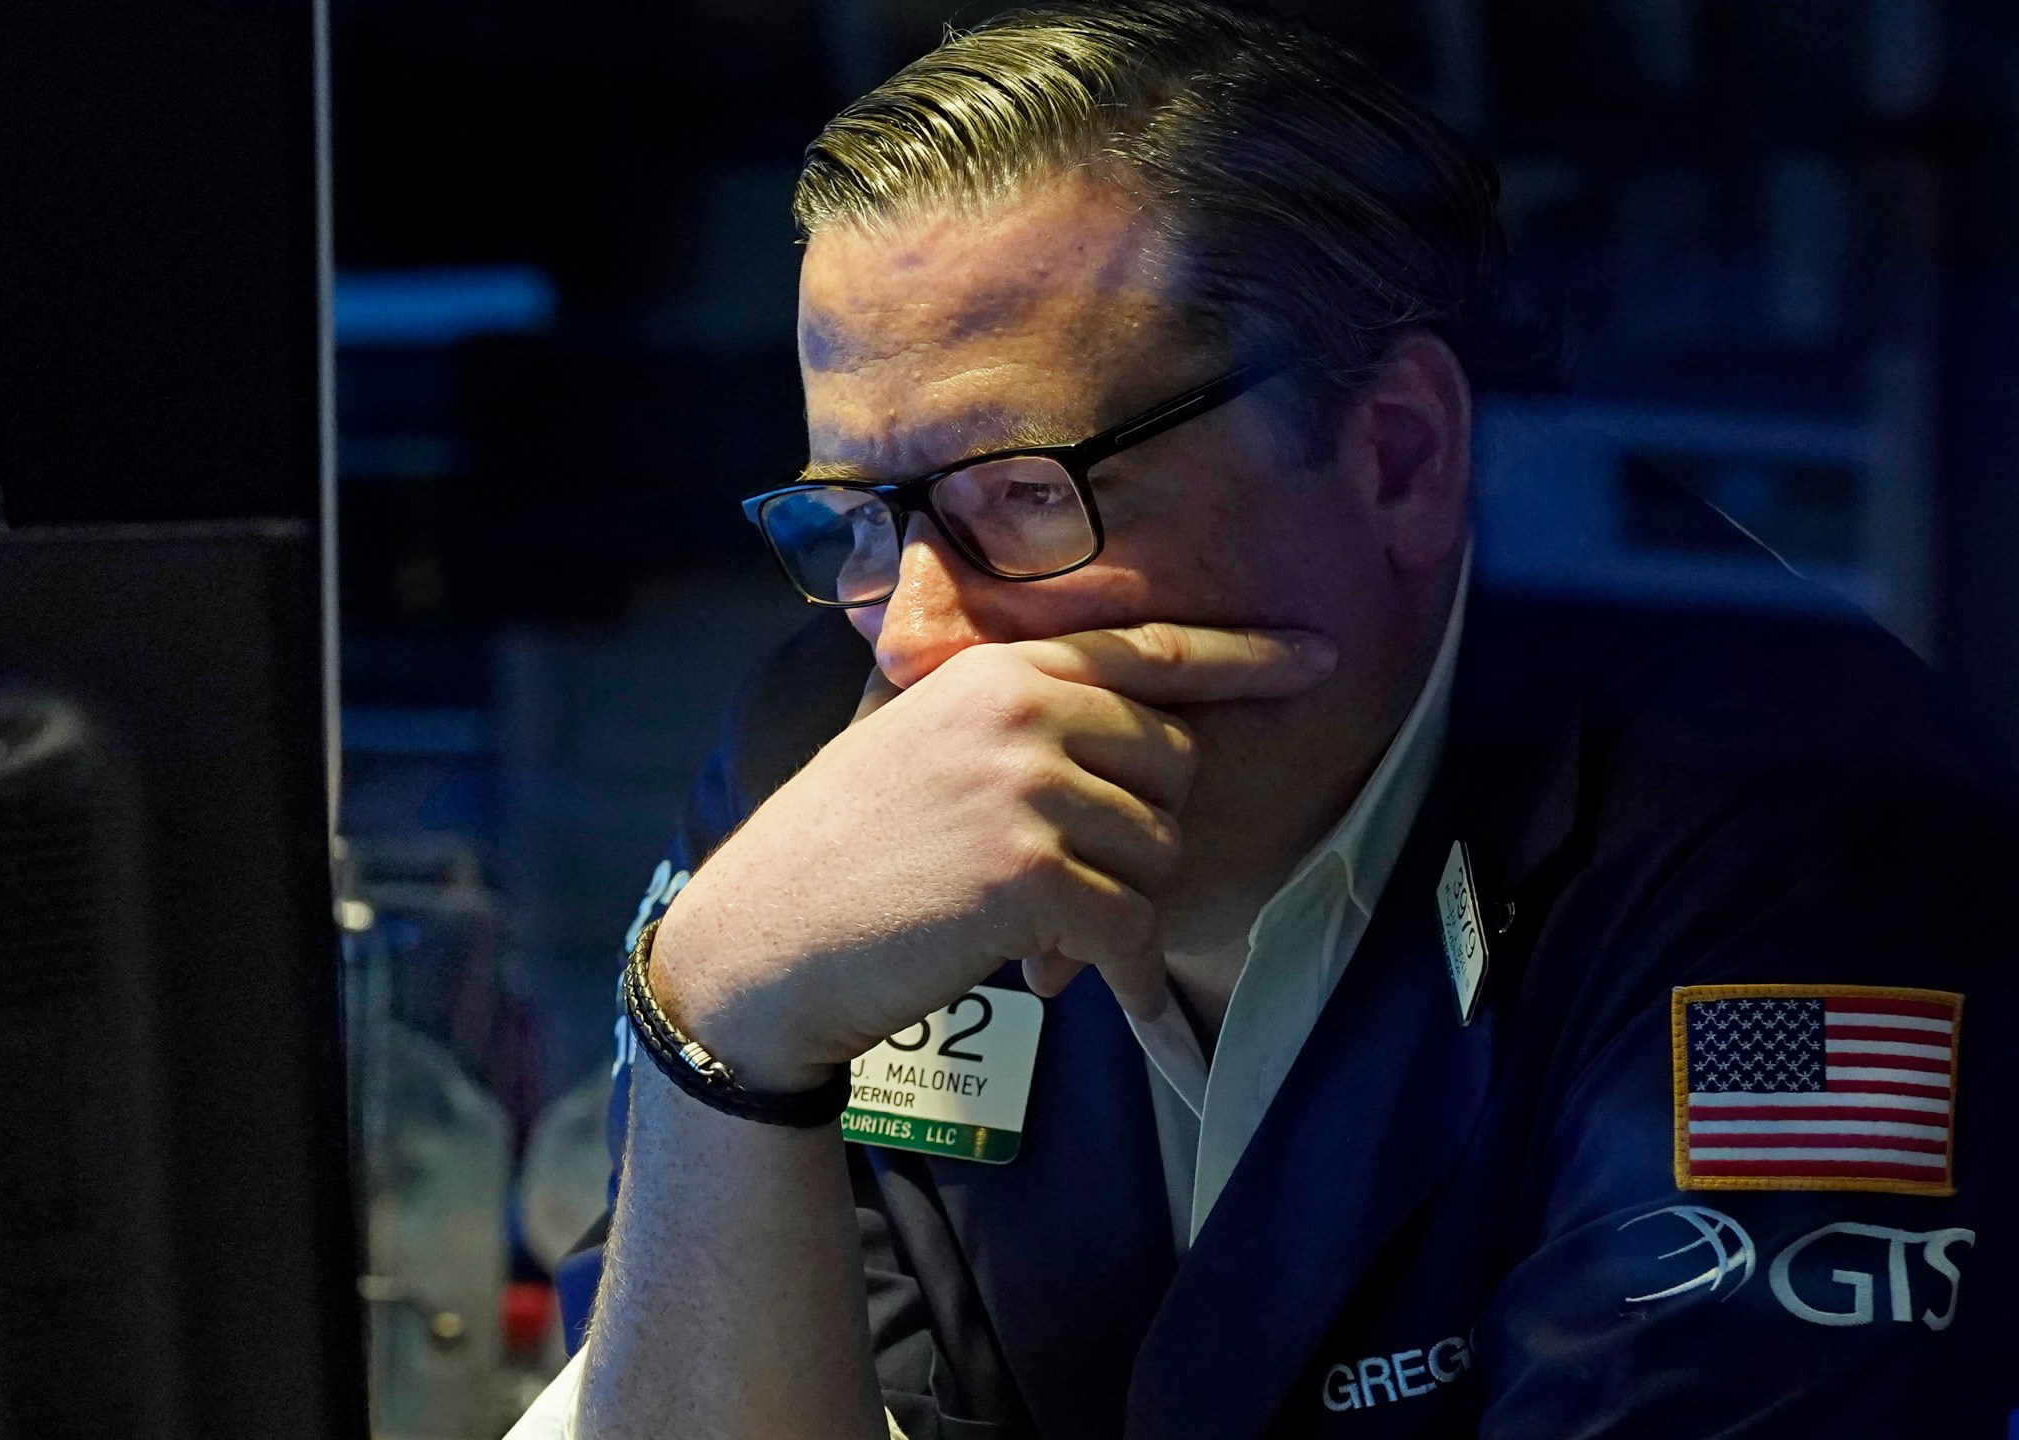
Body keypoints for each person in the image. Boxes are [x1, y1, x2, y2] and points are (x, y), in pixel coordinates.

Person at [508, 4, 2019, 1436]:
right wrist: (718, 1018)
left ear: (1398, 458)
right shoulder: (822, 761)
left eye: (1028, 497)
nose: (912, 638)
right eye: (857, 515)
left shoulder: (1804, 841)